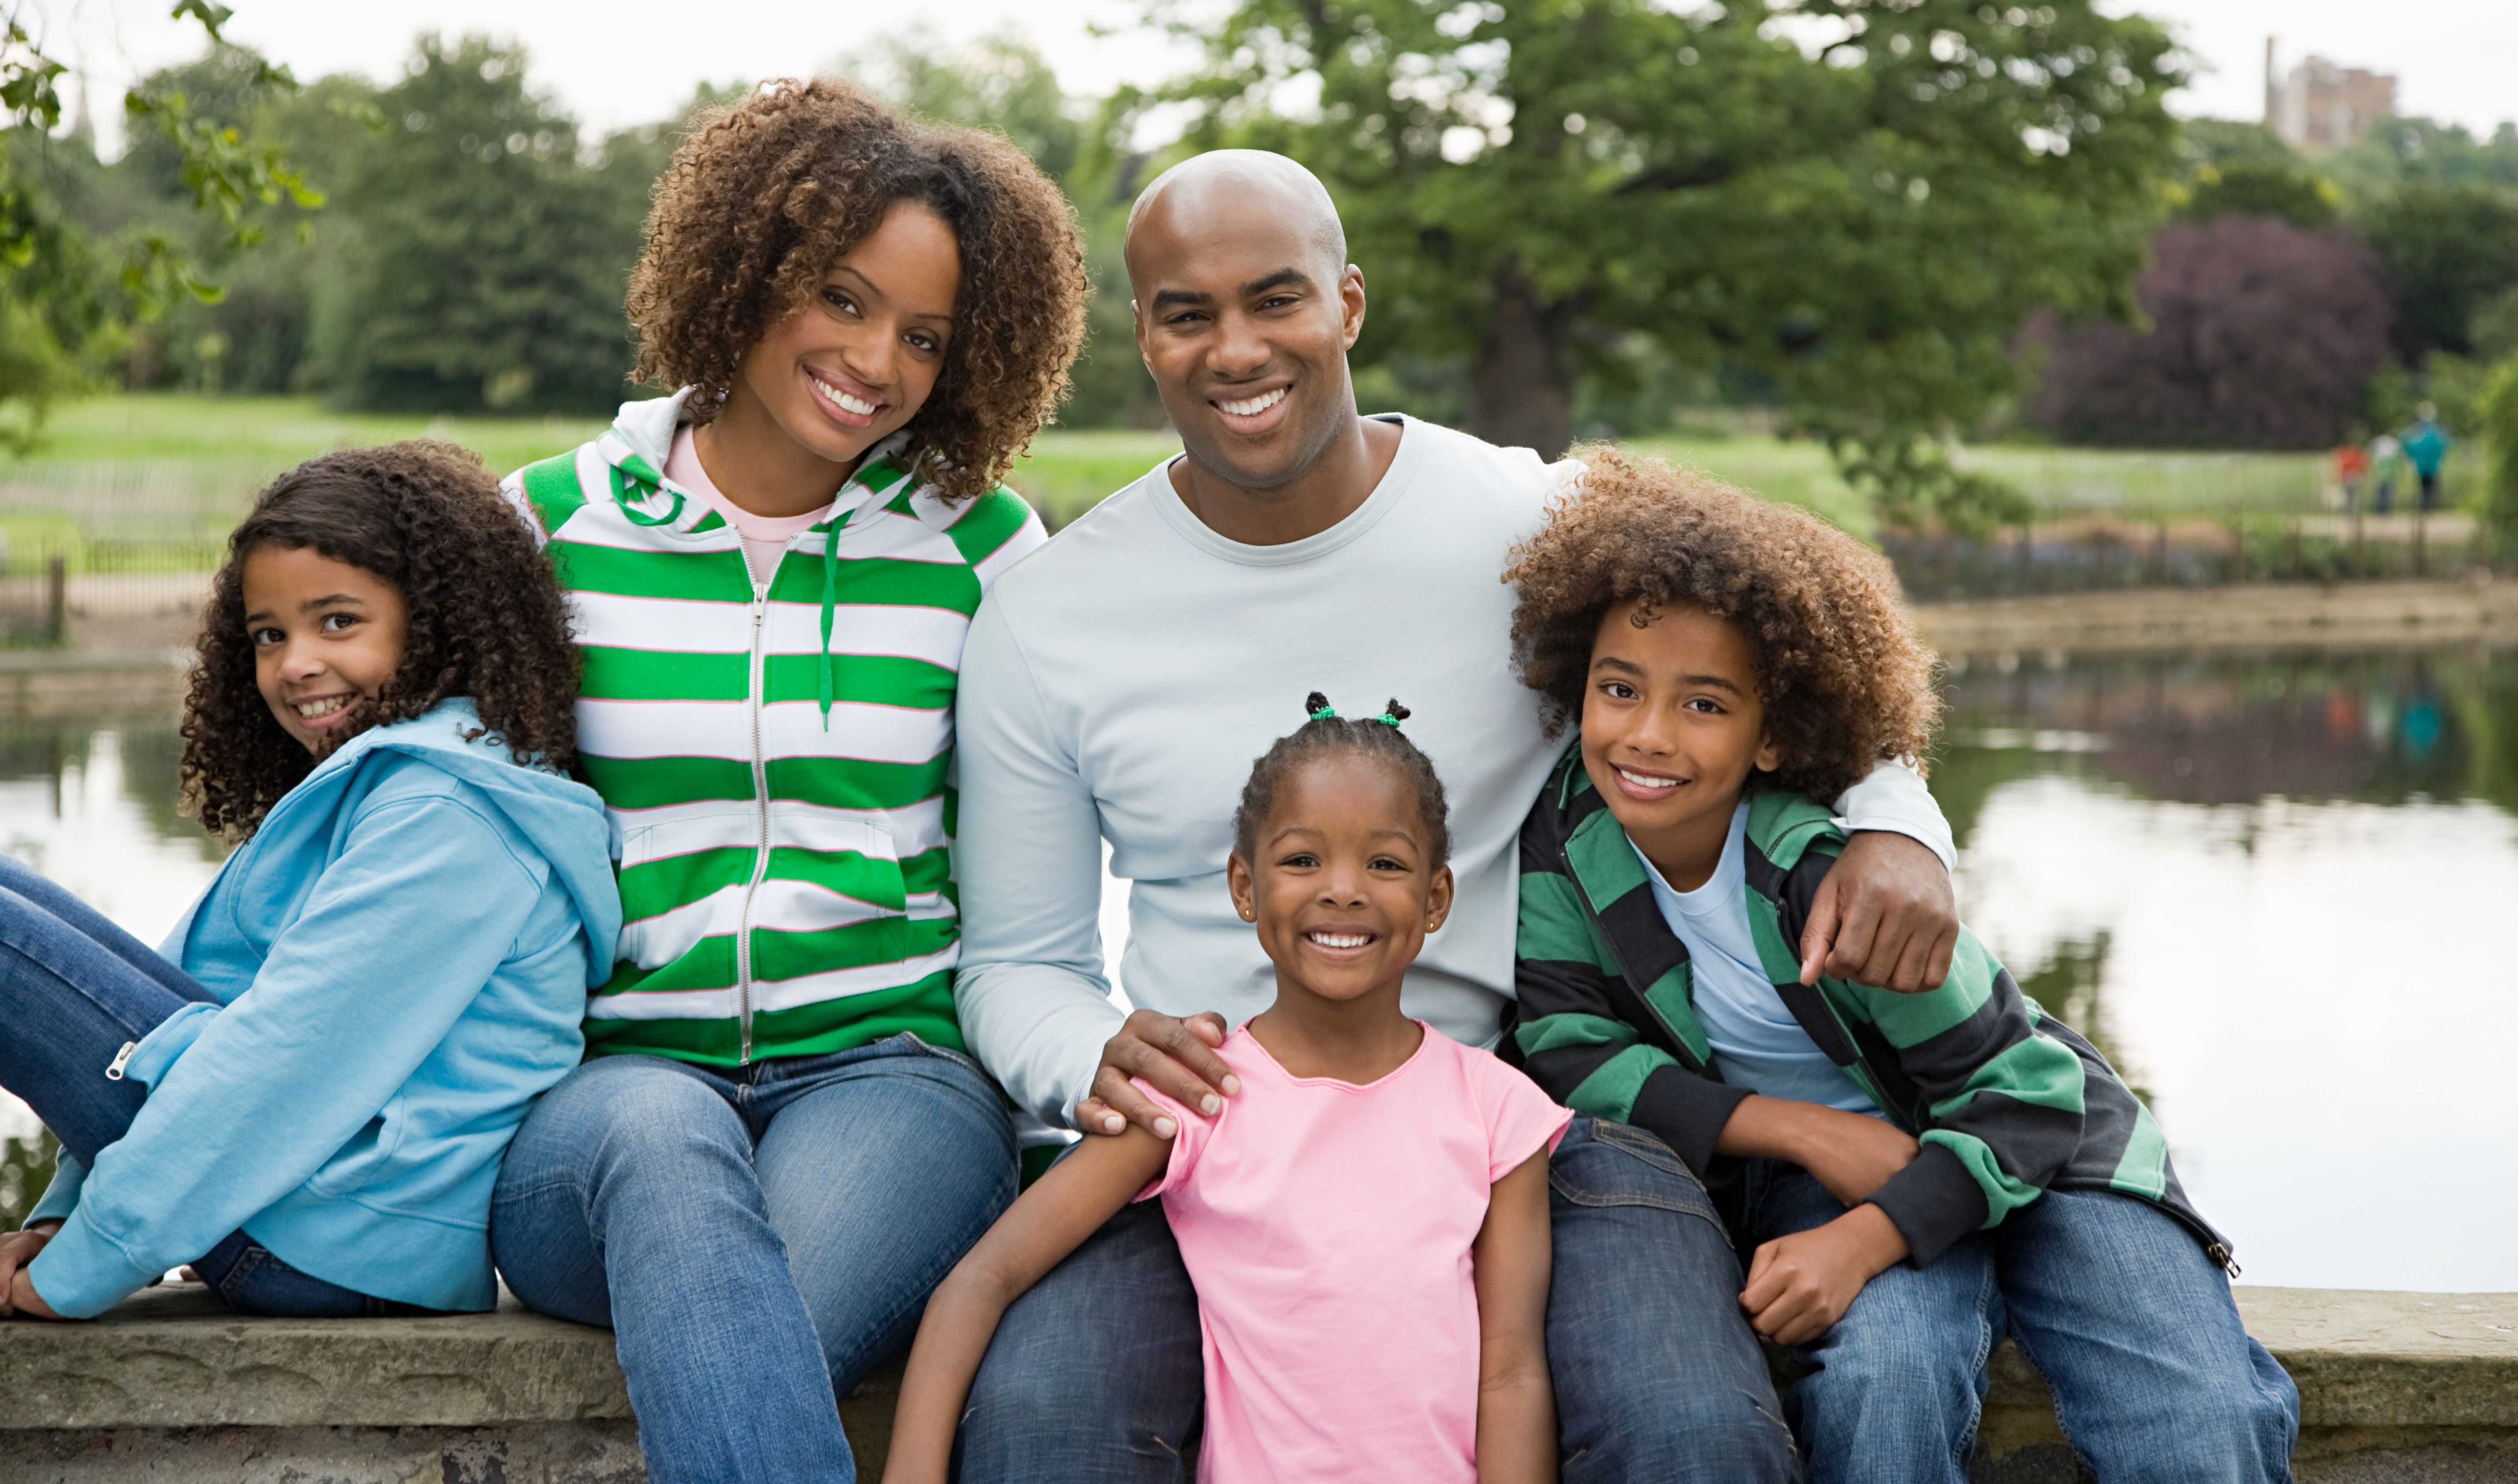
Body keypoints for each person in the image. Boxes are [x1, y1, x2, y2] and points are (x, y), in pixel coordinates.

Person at [950, 148, 1965, 1480]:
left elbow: (1790, 629)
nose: (1236, 349)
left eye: (1277, 299)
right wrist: (1104, 1057)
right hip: (1210, 1129)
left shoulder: (1525, 517)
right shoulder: (1049, 615)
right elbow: (1017, 961)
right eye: (1188, 315)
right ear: (1143, 334)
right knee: (1042, 1426)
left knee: (1695, 1432)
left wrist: (1897, 821)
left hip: (1538, 1108)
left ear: (1348, 303)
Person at [491, 79, 1087, 1484]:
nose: (876, 360)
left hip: (891, 1077)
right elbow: (418, 854)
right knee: (666, 1143)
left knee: (764, 1317)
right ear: (750, 271)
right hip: (609, 1093)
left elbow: (1042, 868)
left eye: (924, 336)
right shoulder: (549, 526)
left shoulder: (983, 548)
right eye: (842, 298)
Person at [1509, 449, 2299, 1484]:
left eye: (1704, 704)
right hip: (1839, 1166)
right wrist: (1803, 1130)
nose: (1647, 734)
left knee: (2200, 1422)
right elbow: (1570, 1050)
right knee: (1882, 1391)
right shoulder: (1567, 838)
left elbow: (2029, 1096)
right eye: (1619, 688)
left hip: (2043, 1150)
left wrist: (1866, 1239)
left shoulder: (1834, 884)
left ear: (1773, 736)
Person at [0, 443, 615, 1322]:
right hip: (305, 1212)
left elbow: (279, 1065)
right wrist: (65, 1215)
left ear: (437, 623)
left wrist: (83, 1268)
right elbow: (209, 997)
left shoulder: (450, 816)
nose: (294, 664)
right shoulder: (402, 783)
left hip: (330, 1235)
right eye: (270, 635)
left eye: (337, 622)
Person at [885, 696, 1569, 1484]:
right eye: (1302, 860)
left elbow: (1512, 1372)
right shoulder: (1198, 1096)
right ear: (1245, 886)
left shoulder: (1496, 1110)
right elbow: (984, 1277)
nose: (1343, 889)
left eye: (1385, 864)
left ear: (1436, 898)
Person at [2400, 402, 2451, 513]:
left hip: (2423, 467)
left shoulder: (2419, 437)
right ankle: (2430, 507)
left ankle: (2426, 507)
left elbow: (2407, 444)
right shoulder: (2437, 436)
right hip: (2433, 467)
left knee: (2425, 488)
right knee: (2431, 487)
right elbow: (2447, 444)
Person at [2332, 434, 2369, 515]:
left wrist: (2340, 477)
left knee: (2349, 497)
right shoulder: (2357, 454)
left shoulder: (2345, 454)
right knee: (2354, 498)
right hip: (2355, 476)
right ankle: (2353, 514)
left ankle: (2350, 514)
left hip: (2349, 476)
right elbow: (2363, 465)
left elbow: (2342, 466)